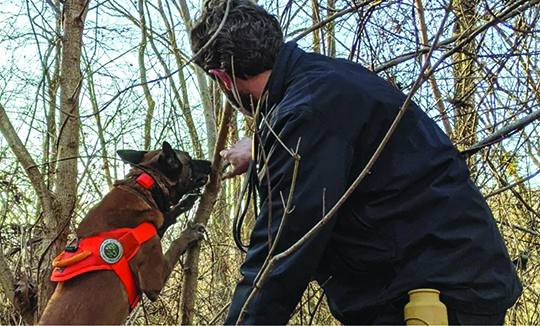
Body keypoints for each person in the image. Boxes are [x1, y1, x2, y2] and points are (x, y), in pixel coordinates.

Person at [190, 0, 522, 324]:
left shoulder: (307, 116)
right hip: (450, 279)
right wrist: (263, 146)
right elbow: (338, 147)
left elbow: (279, 257)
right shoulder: (325, 83)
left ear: (222, 78)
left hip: (433, 296)